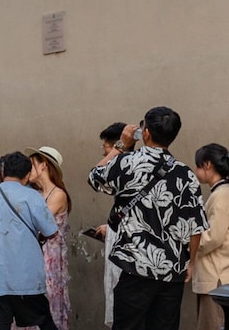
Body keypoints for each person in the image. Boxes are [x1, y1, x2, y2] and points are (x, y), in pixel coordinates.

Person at [88, 107, 207, 330]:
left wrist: (121, 146)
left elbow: (95, 177)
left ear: (146, 133)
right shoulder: (186, 174)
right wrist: (191, 262)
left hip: (135, 266)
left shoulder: (128, 162)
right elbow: (196, 226)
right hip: (172, 271)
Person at [0, 152, 61, 330]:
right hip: (25, 276)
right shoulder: (32, 197)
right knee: (44, 320)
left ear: (2, 172)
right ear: (27, 175)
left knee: (1, 324)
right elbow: (51, 231)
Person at [192, 144, 229, 330]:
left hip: (217, 278)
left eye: (198, 166)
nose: (196, 171)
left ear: (208, 165)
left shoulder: (221, 195)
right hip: (227, 275)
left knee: (213, 325)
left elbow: (213, 237)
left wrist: (188, 244)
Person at [23, 146, 72, 329]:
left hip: (49, 257)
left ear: (43, 165)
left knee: (48, 301)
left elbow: (40, 223)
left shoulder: (58, 194)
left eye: (32, 165)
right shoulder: (34, 193)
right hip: (34, 255)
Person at [92, 122, 128, 327]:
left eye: (107, 148)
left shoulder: (124, 168)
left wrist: (118, 148)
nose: (105, 154)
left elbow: (95, 175)